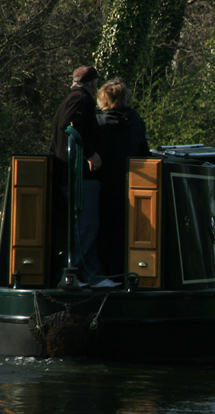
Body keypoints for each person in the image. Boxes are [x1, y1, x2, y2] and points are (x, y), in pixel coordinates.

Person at [49, 66, 108, 287]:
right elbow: (69, 125)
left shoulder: (71, 98)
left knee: (87, 226)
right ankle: (66, 274)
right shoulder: (80, 100)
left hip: (72, 174)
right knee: (87, 225)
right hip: (78, 176)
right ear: (92, 84)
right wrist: (90, 154)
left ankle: (92, 275)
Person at [94, 77, 151, 278]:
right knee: (124, 231)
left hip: (103, 185)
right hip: (131, 186)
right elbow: (144, 155)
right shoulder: (136, 122)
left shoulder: (97, 123)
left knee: (101, 230)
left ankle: (102, 272)